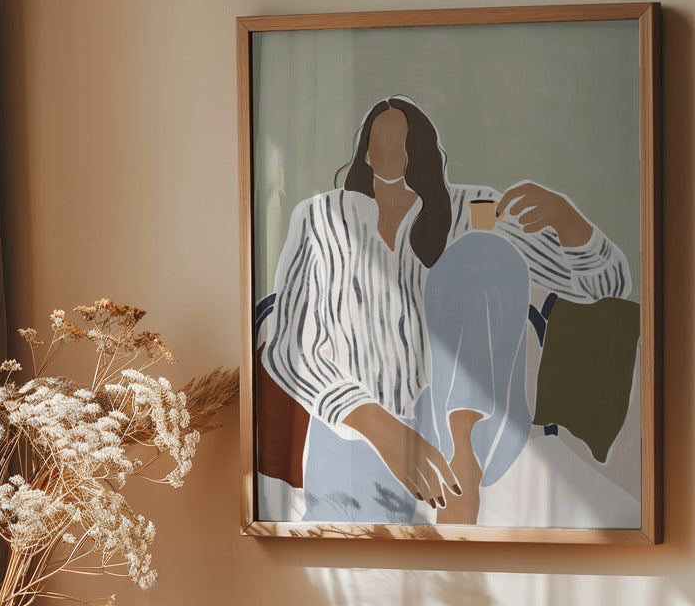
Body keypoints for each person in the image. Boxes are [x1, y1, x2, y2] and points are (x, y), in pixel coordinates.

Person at [258, 96, 632, 525]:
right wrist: (380, 427)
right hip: (353, 439)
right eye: (382, 139)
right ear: (364, 151)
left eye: (406, 141)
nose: (395, 152)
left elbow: (604, 286)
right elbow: (288, 348)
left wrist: (571, 224)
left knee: (483, 250)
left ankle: (463, 454)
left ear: (427, 151)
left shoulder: (476, 209)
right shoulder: (319, 220)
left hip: (473, 438)